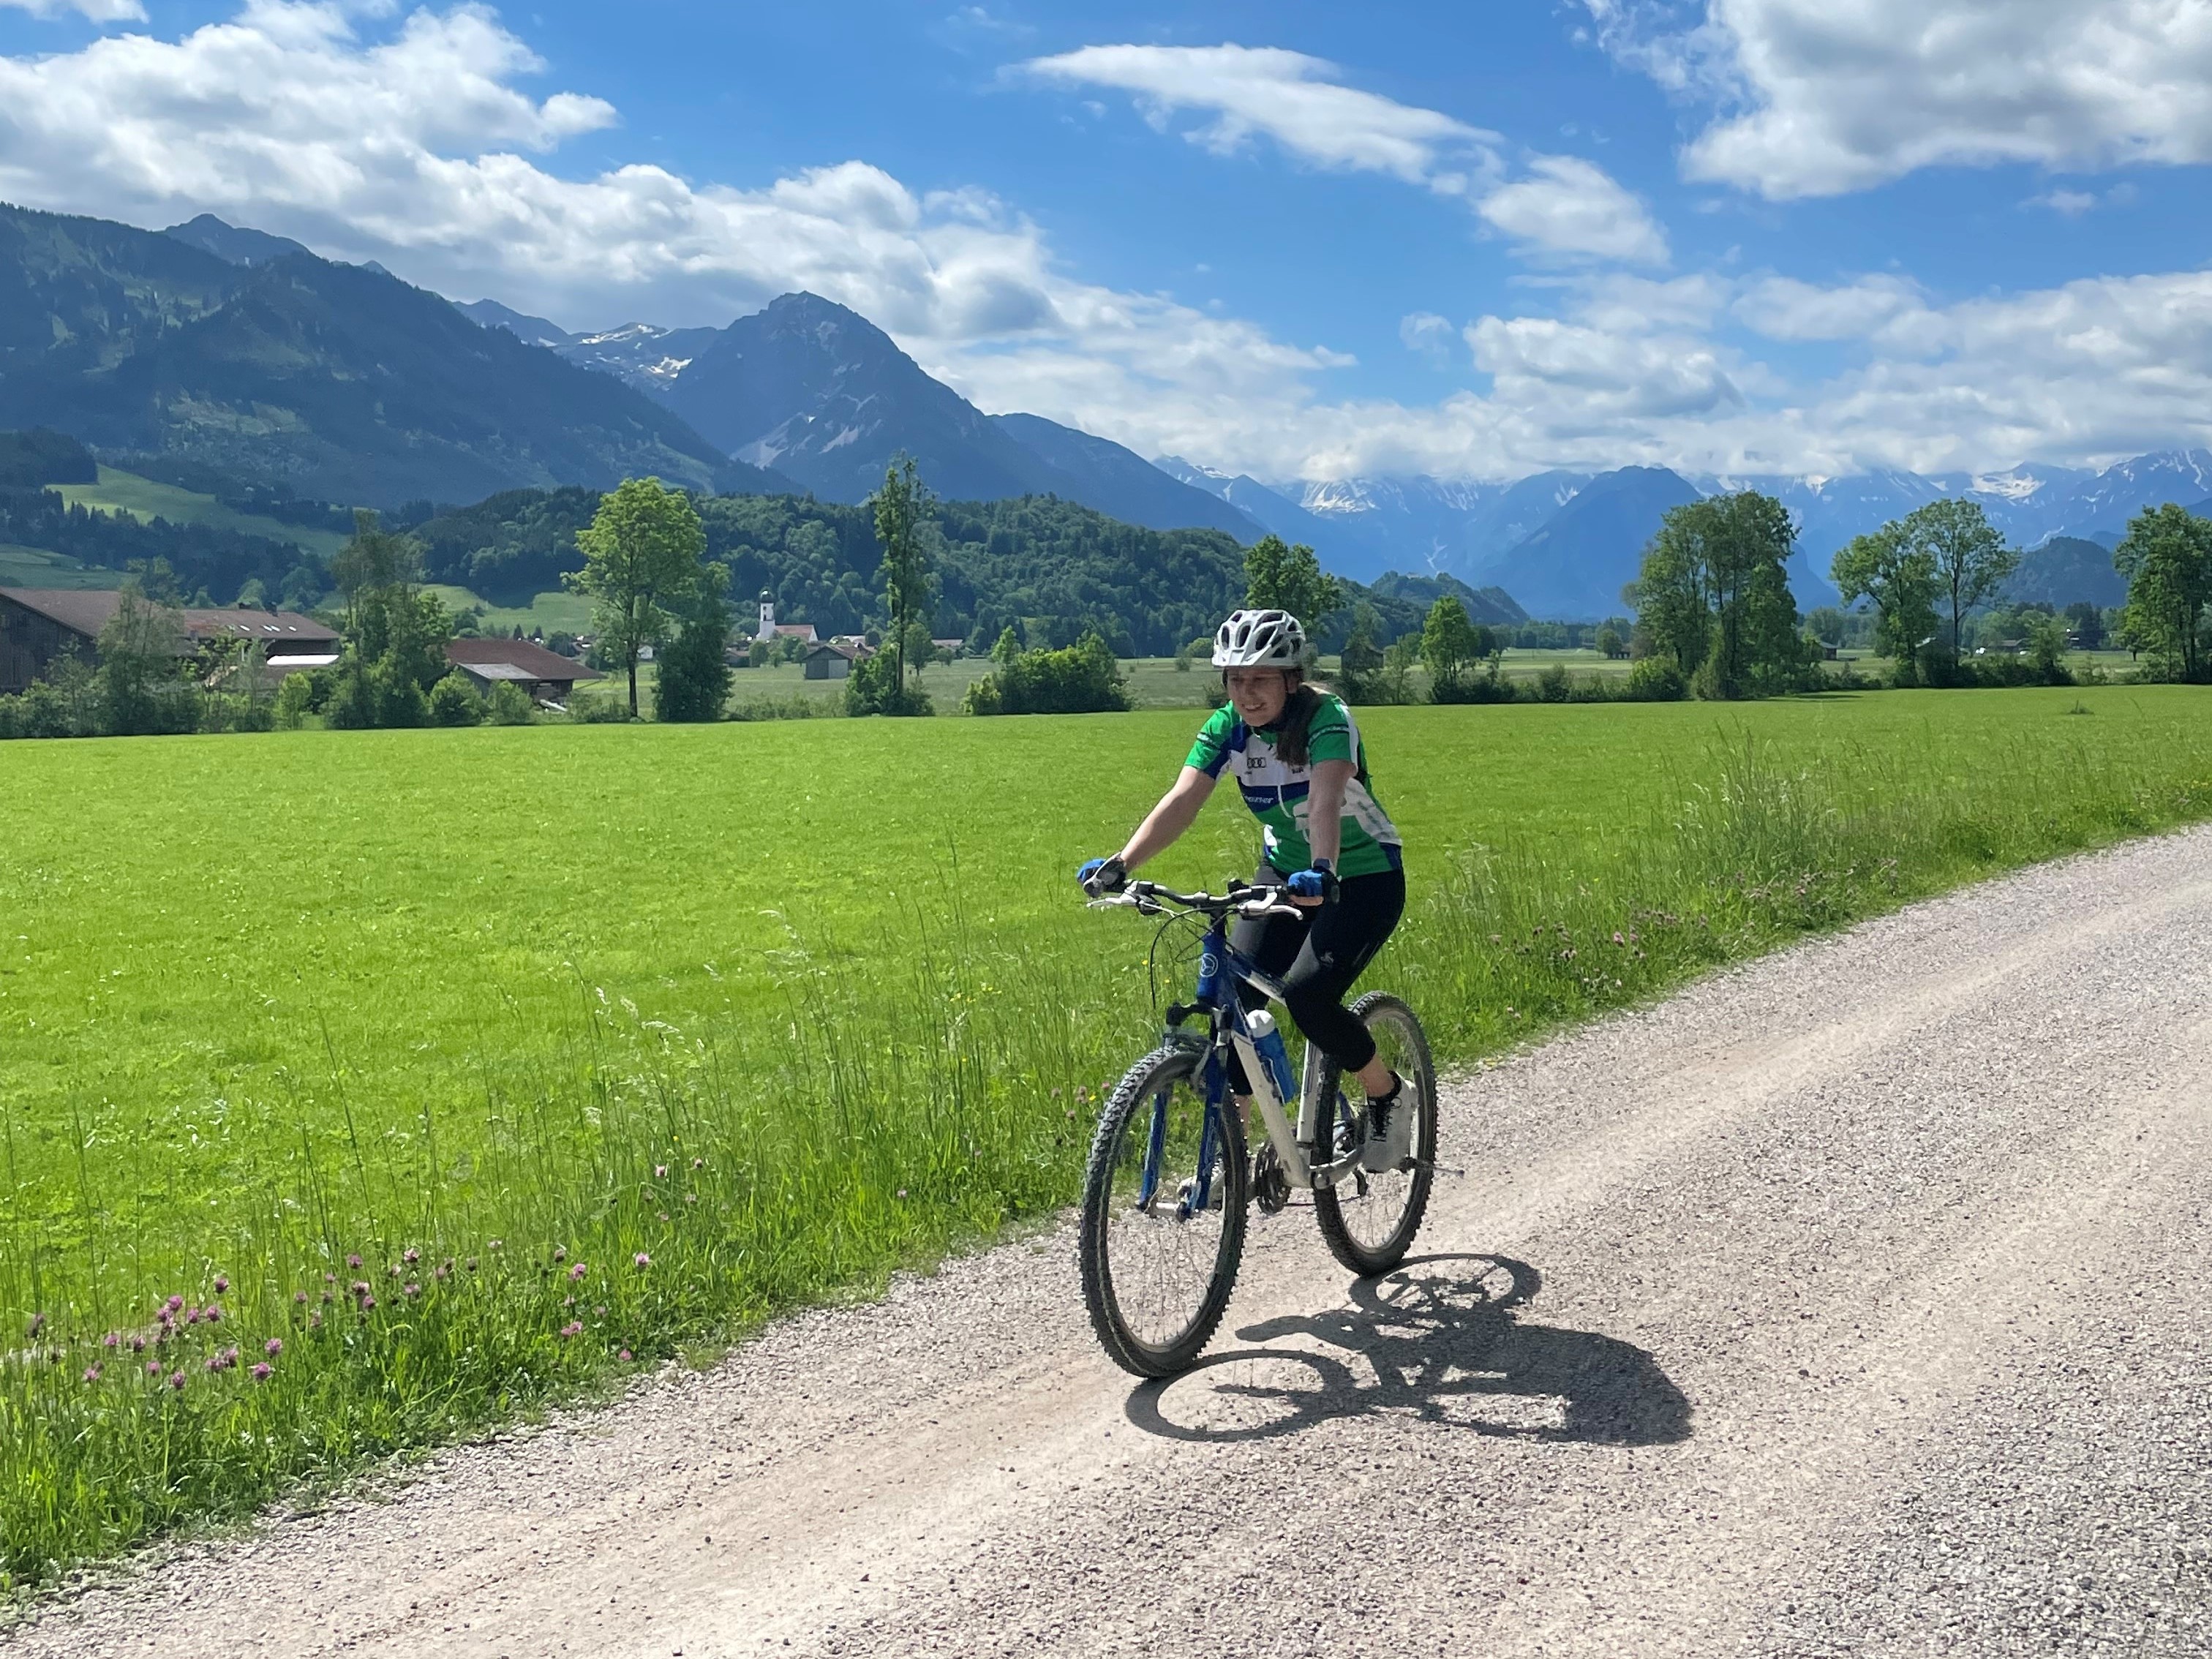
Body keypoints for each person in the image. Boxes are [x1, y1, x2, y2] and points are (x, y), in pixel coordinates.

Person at [1078, 607, 1409, 1147]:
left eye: (1260, 679)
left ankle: (1386, 1093)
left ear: (1291, 680)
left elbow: (1325, 803)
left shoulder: (1327, 719)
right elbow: (1182, 801)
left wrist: (1323, 870)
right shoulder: (1227, 727)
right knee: (1235, 1002)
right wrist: (1123, 863)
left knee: (1307, 998)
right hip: (1283, 873)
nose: (1246, 693)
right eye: (1235, 679)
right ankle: (1231, 1156)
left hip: (1360, 876)